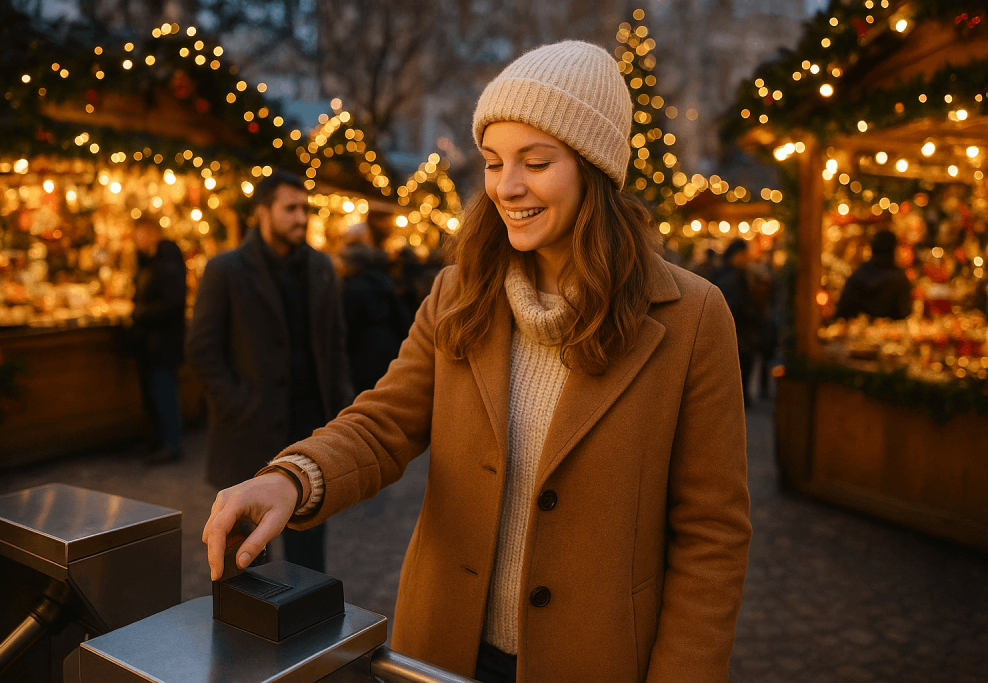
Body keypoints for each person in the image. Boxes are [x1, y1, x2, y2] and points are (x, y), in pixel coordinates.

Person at [203, 41, 751, 683]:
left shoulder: (691, 316)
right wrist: (291, 479)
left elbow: (712, 536)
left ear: (594, 167)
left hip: (597, 658)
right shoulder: (459, 292)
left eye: (536, 162)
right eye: (493, 163)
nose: (507, 188)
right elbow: (382, 425)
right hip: (445, 653)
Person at [187, 170, 354, 573]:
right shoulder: (226, 269)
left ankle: (308, 631)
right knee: (243, 565)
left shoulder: (320, 267)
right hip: (247, 437)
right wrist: (239, 405)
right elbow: (202, 350)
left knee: (308, 562)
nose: (302, 218)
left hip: (310, 437)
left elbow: (335, 348)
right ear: (262, 212)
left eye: (305, 209)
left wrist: (342, 414)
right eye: (291, 208)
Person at [131, 217, 187, 464]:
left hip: (164, 340)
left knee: (164, 392)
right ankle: (159, 439)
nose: (136, 239)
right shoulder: (148, 261)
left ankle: (171, 444)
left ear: (151, 233)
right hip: (150, 340)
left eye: (139, 233)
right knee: (153, 393)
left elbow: (173, 302)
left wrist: (142, 313)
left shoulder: (168, 260)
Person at [340, 243, 411, 394]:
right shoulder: (385, 281)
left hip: (363, 351)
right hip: (389, 344)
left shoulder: (352, 287)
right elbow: (400, 316)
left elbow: (348, 324)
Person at [710, 238, 758, 407]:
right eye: (744, 254)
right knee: (739, 365)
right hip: (738, 328)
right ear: (737, 254)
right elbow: (735, 303)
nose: (747, 258)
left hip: (737, 327)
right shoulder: (733, 275)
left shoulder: (727, 272)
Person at [835, 229, 912, 320]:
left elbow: (842, 311)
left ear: (872, 247)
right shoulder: (900, 278)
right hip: (891, 332)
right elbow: (904, 313)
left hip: (857, 331)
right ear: (894, 248)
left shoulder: (858, 275)